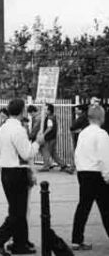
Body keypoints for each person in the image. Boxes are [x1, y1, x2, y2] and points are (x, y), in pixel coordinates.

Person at [0, 99, 44, 256]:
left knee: (17, 209)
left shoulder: (3, 128)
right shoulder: (18, 130)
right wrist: (38, 143)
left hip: (6, 171)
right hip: (16, 172)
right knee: (18, 212)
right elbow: (26, 153)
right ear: (22, 111)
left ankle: (20, 243)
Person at [71, 105, 109, 251]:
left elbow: (77, 153)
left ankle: (76, 239)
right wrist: (107, 176)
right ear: (101, 117)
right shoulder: (102, 134)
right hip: (96, 174)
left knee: (83, 206)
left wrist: (80, 168)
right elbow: (104, 158)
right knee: (106, 208)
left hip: (84, 172)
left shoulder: (83, 133)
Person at [38, 104, 70, 173]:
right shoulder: (53, 117)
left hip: (49, 138)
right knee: (53, 153)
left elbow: (50, 127)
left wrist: (43, 134)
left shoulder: (49, 118)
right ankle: (63, 165)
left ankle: (46, 166)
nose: (44, 111)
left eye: (46, 109)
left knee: (45, 151)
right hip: (53, 137)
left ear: (49, 111)